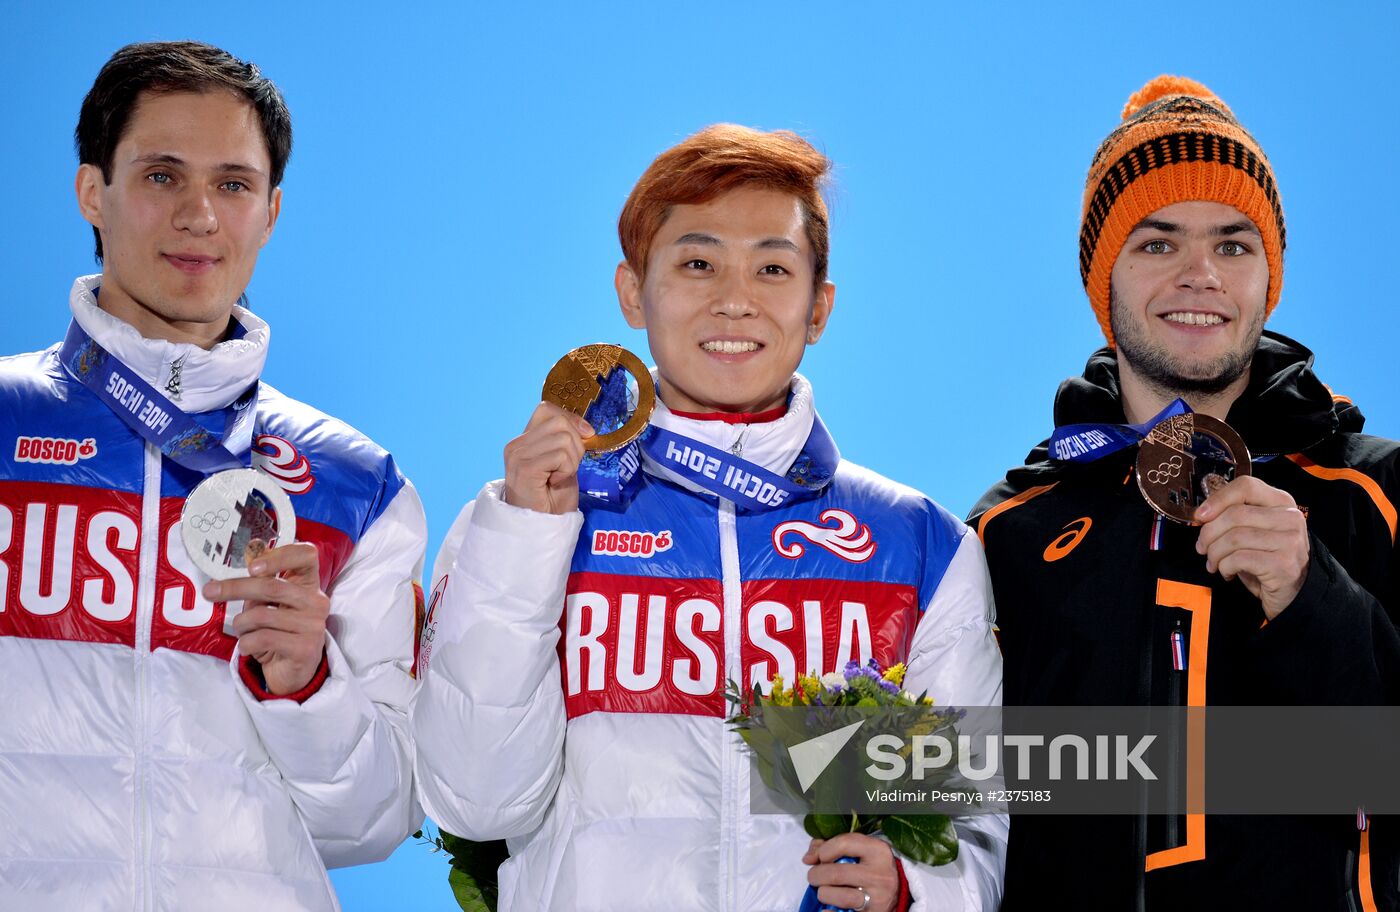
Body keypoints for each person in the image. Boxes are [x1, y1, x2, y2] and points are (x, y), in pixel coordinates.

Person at [412, 124, 1006, 911]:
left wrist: (915, 889)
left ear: (819, 306)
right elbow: (475, 801)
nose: (735, 299)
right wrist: (524, 537)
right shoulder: (530, 514)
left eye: (772, 266)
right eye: (697, 264)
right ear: (633, 291)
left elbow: (968, 827)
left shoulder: (921, 546)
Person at [0, 41, 426, 911]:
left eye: (232, 184)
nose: (200, 214)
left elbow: (374, 822)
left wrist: (306, 685)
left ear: (269, 211)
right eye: (162, 175)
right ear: (94, 193)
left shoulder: (356, 485)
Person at [969, 75, 1400, 910]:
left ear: (1269, 276)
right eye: (1158, 243)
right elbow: (952, 801)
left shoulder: (1375, 492)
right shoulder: (1007, 530)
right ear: (1105, 279)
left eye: (1233, 244)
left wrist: (1314, 601)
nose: (1200, 274)